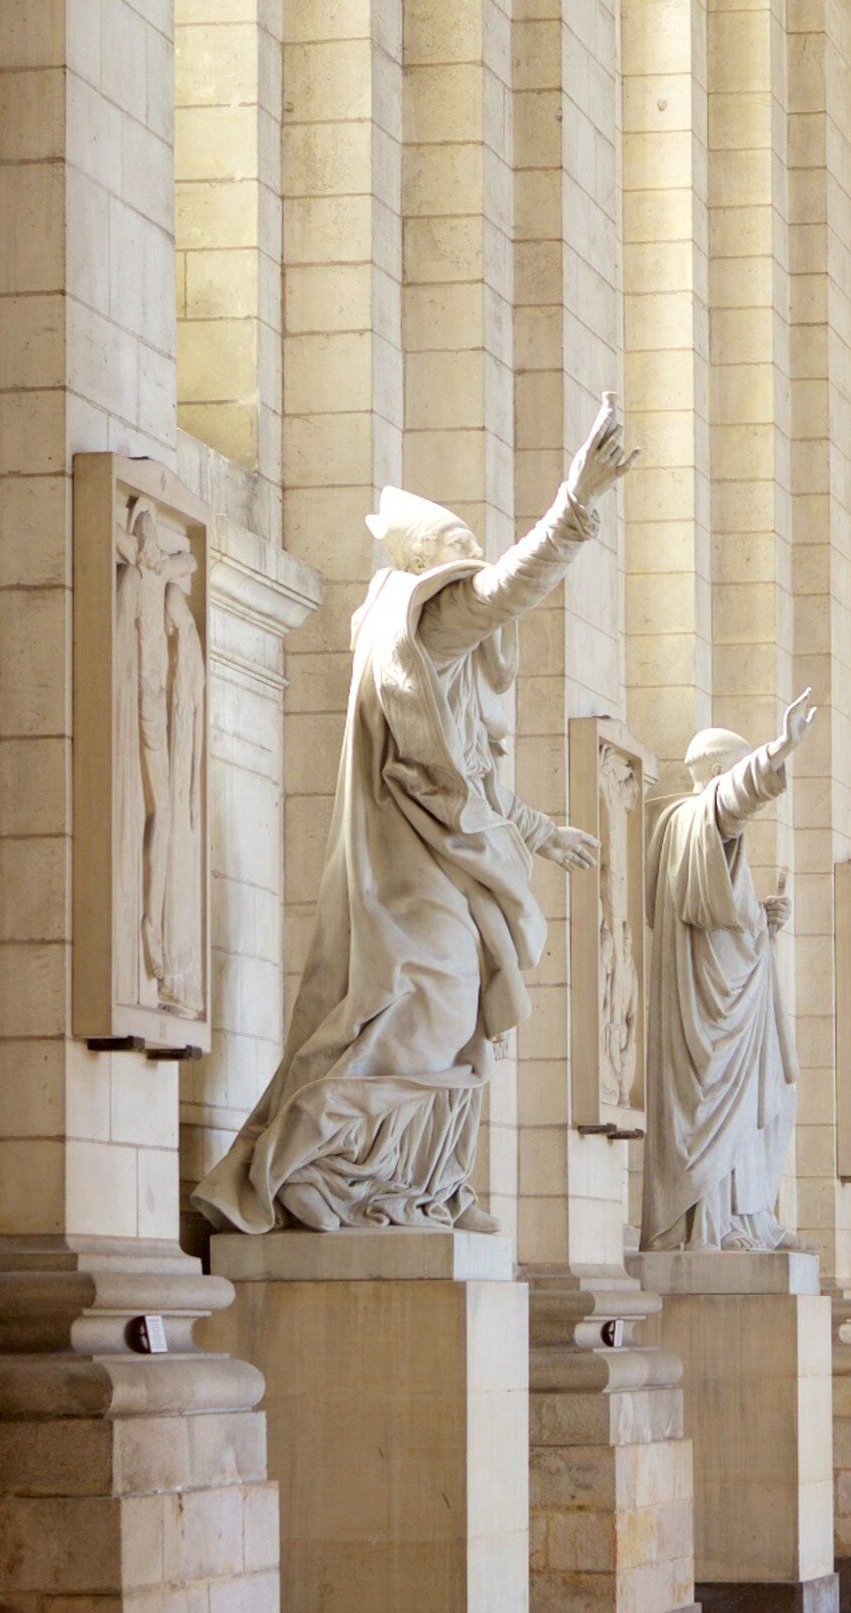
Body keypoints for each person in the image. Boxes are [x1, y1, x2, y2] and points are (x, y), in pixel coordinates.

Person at [196, 406, 633, 1233]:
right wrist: (574, 506)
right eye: (458, 543)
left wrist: (543, 833)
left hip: (444, 860)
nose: (472, 555)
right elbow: (507, 589)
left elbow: (469, 775)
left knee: (454, 1016)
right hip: (409, 868)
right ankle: (314, 1165)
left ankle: (412, 1185)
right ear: (426, 564)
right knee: (426, 1009)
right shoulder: (424, 626)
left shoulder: (443, 669)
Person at [639, 691, 818, 1251]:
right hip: (711, 1013)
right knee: (714, 1105)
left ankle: (747, 1218)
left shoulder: (698, 836)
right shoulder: (696, 817)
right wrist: (777, 750)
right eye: (737, 768)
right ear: (718, 773)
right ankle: (711, 1225)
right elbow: (732, 802)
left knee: (761, 1104)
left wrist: (763, 919)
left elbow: (719, 918)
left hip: (731, 998)